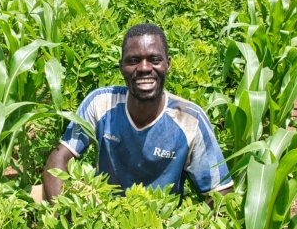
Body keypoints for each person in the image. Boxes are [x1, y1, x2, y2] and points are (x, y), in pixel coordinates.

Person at [42, 23, 232, 202]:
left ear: (168, 64)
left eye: (154, 59)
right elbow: (58, 158)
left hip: (161, 227)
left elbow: (222, 193)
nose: (144, 68)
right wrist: (67, 216)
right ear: (121, 67)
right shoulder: (100, 103)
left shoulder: (190, 120)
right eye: (133, 60)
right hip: (100, 217)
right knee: (38, 194)